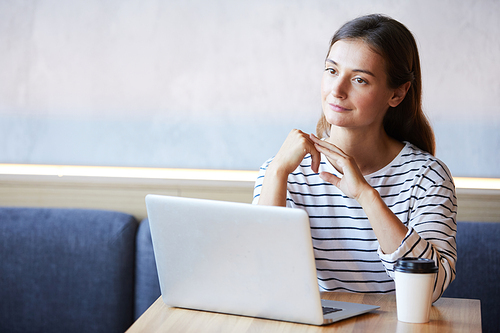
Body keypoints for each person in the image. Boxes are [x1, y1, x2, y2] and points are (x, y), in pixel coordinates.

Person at [252, 14, 457, 302]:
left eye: (359, 79)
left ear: (397, 94)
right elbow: (261, 277)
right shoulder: (285, 170)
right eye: (332, 71)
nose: (336, 90)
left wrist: (365, 194)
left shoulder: (426, 177)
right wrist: (276, 173)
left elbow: (430, 287)